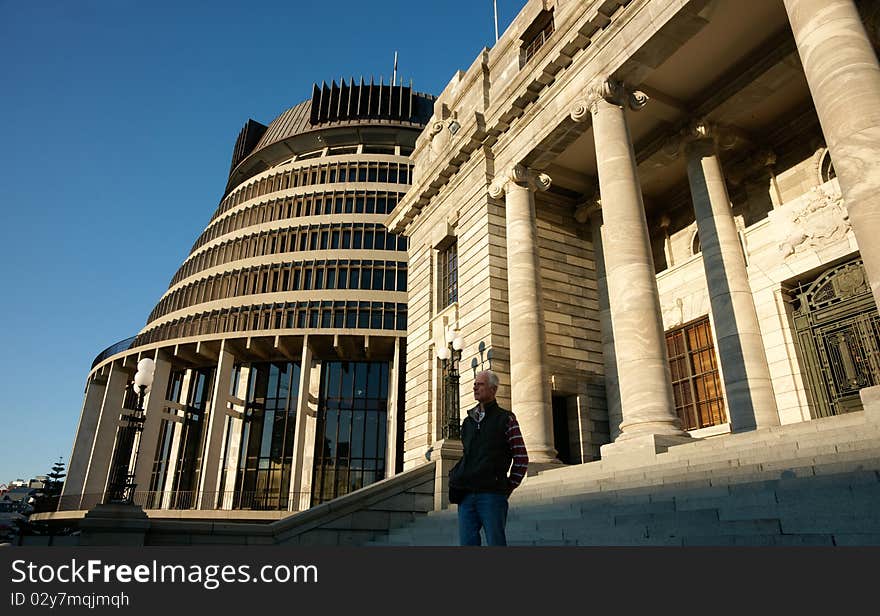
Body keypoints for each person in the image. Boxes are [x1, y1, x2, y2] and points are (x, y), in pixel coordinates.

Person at [448, 369, 529, 546]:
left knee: (496, 543)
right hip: (466, 496)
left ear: (493, 389)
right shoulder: (468, 422)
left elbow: (521, 458)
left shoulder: (506, 419)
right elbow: (467, 456)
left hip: (492, 495)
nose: (475, 387)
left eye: (480, 384)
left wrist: (507, 486)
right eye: (475, 384)